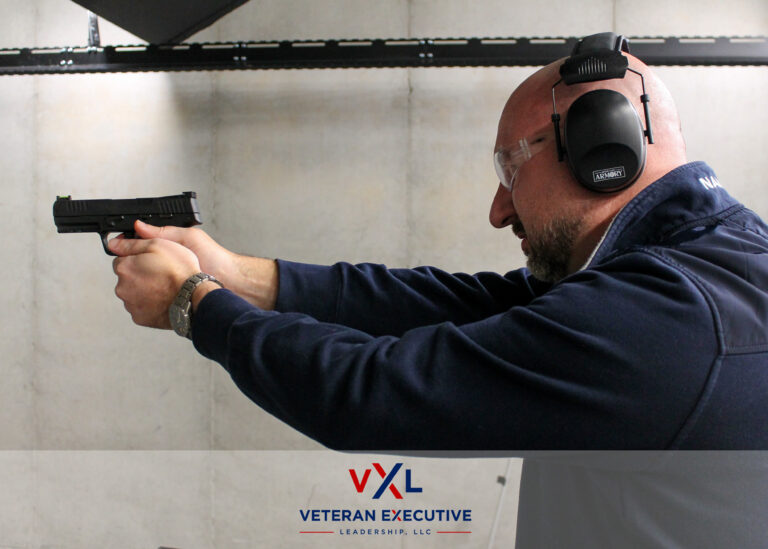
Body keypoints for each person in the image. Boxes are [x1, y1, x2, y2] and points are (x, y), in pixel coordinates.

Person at [110, 36, 768, 452]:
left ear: (600, 148)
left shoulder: (670, 320)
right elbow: (466, 304)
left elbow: (372, 391)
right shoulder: (710, 262)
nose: (499, 208)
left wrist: (191, 302)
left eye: (511, 168)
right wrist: (240, 275)